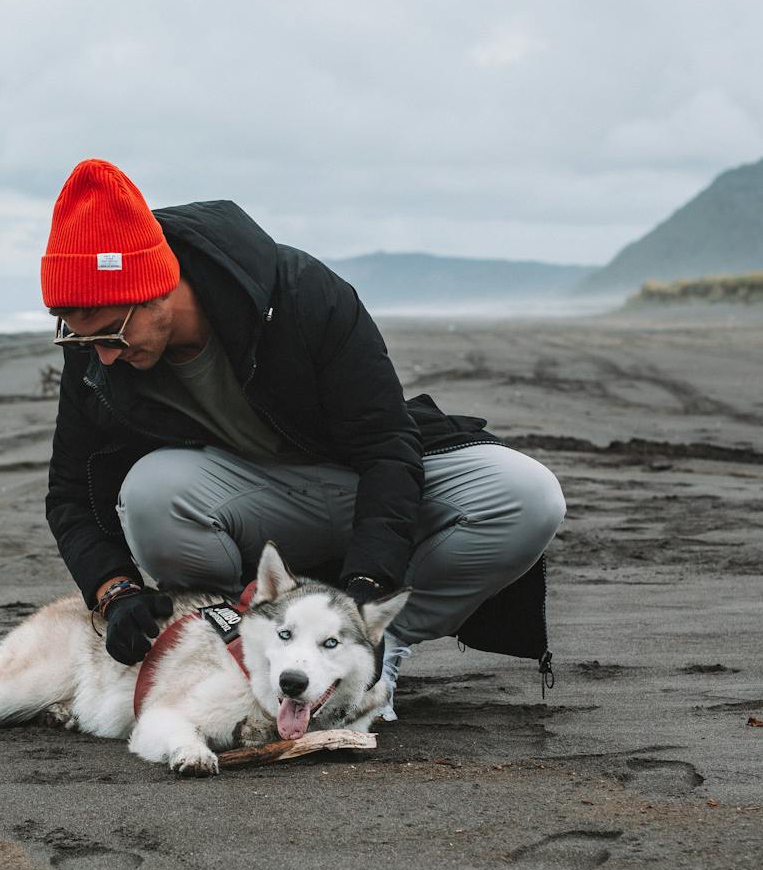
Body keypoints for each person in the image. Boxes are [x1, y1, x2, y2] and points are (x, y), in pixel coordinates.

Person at [40, 158, 566, 709]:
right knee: (151, 494)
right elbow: (70, 493)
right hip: (255, 501)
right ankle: (248, 643)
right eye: (81, 340)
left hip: (359, 473)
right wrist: (115, 591)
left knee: (528, 495)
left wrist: (368, 592)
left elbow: (387, 447)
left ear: (159, 287)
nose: (101, 354)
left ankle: (373, 649)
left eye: (112, 334)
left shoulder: (300, 293)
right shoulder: (97, 355)